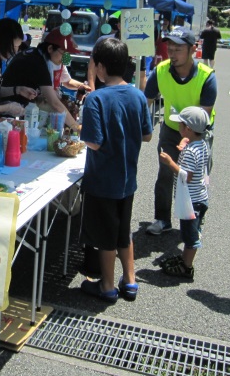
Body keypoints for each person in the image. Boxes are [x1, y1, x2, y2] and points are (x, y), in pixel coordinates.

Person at [79, 37, 153, 302]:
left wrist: (82, 131)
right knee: (124, 231)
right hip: (127, 178)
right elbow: (147, 136)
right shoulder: (137, 95)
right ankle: (130, 281)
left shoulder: (96, 99)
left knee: (105, 236)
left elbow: (94, 143)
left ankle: (107, 286)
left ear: (99, 67)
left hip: (102, 180)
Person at [144, 27, 217, 236]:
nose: (172, 54)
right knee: (165, 172)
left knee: (195, 177)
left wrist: (188, 139)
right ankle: (162, 219)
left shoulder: (207, 76)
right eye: (170, 48)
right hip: (171, 128)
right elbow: (145, 102)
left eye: (178, 49)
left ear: (193, 49)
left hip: (199, 133)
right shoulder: (160, 71)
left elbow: (205, 114)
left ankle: (196, 220)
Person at [158, 106, 211, 280]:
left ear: (188, 129)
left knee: (190, 236)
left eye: (181, 125)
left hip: (191, 201)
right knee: (192, 231)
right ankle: (184, 260)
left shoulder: (190, 152)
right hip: (200, 197)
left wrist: (170, 162)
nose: (178, 128)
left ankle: (186, 266)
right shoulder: (201, 144)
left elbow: (186, 176)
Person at [1, 29, 81, 132]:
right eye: (63, 53)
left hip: (17, 110)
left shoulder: (37, 55)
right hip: (8, 113)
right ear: (50, 48)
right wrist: (76, 127)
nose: (65, 58)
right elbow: (54, 103)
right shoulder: (37, 63)